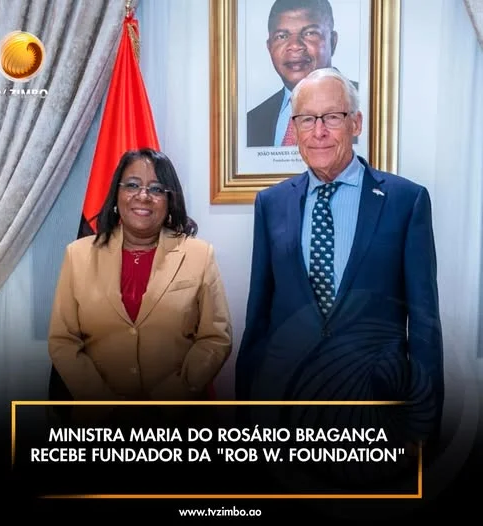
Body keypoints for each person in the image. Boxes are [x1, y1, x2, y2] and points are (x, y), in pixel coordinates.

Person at [237, 68, 444, 452]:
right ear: (295, 128)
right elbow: (259, 318)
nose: (319, 132)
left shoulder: (406, 201)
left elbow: (425, 324)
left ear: (356, 123)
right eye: (306, 119)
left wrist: (423, 420)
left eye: (331, 117)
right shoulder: (271, 203)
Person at [48, 149, 232, 420]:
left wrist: (167, 399)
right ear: (117, 194)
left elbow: (215, 338)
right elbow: (63, 340)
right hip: (99, 420)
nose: (143, 196)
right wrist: (103, 402)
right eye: (132, 185)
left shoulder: (199, 255)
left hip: (176, 418)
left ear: (169, 200)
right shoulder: (78, 255)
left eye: (156, 189)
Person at [247, 0, 357, 148]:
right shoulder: (252, 121)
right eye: (281, 36)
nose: (295, 46)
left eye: (309, 33)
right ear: (269, 47)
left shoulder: (366, 104)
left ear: (332, 42)